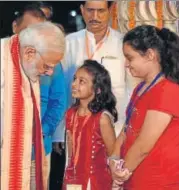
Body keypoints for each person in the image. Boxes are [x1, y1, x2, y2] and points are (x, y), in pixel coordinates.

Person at [109, 25, 179, 189]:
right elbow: (127, 130)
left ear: (150, 55)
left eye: (130, 58)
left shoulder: (167, 90)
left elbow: (143, 146)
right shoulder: (140, 88)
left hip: (159, 181)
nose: (126, 64)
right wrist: (113, 159)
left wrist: (121, 172)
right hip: (134, 177)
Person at [1, 22, 65, 190]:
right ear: (29, 53)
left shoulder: (29, 61)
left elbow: (58, 101)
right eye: (47, 66)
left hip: (32, 153)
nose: (50, 73)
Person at [62, 0, 137, 137]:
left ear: (110, 10)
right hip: (75, 129)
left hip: (115, 128)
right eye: (90, 10)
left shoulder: (123, 43)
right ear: (82, 9)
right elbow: (62, 90)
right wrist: (59, 133)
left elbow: (133, 89)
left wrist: (129, 130)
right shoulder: (68, 43)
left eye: (101, 11)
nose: (95, 16)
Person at [63, 60, 117, 190]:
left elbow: (113, 154)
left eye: (82, 81)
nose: (74, 84)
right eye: (75, 79)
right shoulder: (71, 114)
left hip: (96, 182)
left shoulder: (102, 118)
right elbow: (70, 154)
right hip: (73, 179)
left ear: (98, 89)